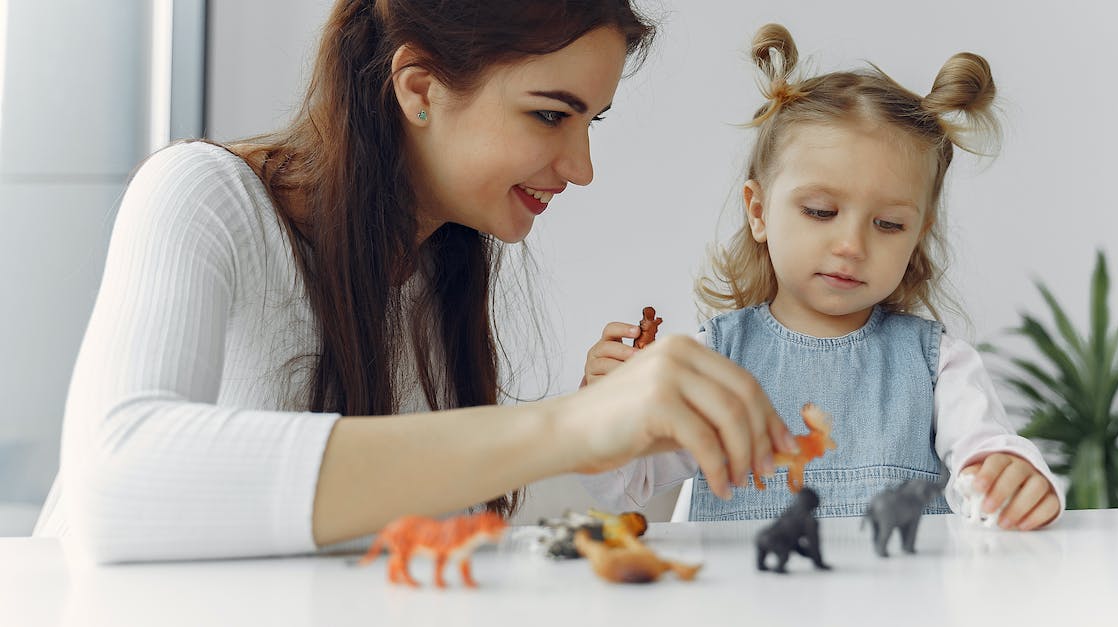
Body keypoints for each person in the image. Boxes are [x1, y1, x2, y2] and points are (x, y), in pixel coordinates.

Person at [34, 1, 801, 564]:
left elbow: (427, 499)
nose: (581, 168)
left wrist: (605, 447)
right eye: (548, 115)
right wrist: (566, 425)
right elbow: (119, 479)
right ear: (419, 88)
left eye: (590, 121)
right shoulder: (201, 195)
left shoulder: (444, 264)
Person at [579, 23, 1064, 530]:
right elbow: (622, 486)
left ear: (918, 233)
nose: (852, 246)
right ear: (759, 211)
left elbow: (985, 457)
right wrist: (603, 410)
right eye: (819, 211)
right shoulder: (713, 362)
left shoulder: (939, 365)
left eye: (888, 224)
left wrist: (1010, 477)